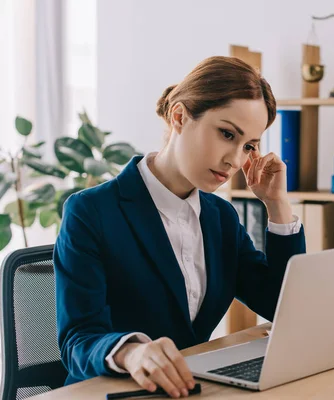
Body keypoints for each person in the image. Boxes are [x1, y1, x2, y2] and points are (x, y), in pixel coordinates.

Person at [54, 56, 306, 398]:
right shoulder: (91, 211)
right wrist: (133, 352)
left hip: (188, 390)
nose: (235, 160)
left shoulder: (220, 217)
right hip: (111, 392)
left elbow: (282, 305)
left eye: (248, 146)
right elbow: (77, 340)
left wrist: (277, 205)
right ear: (179, 116)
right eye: (226, 134)